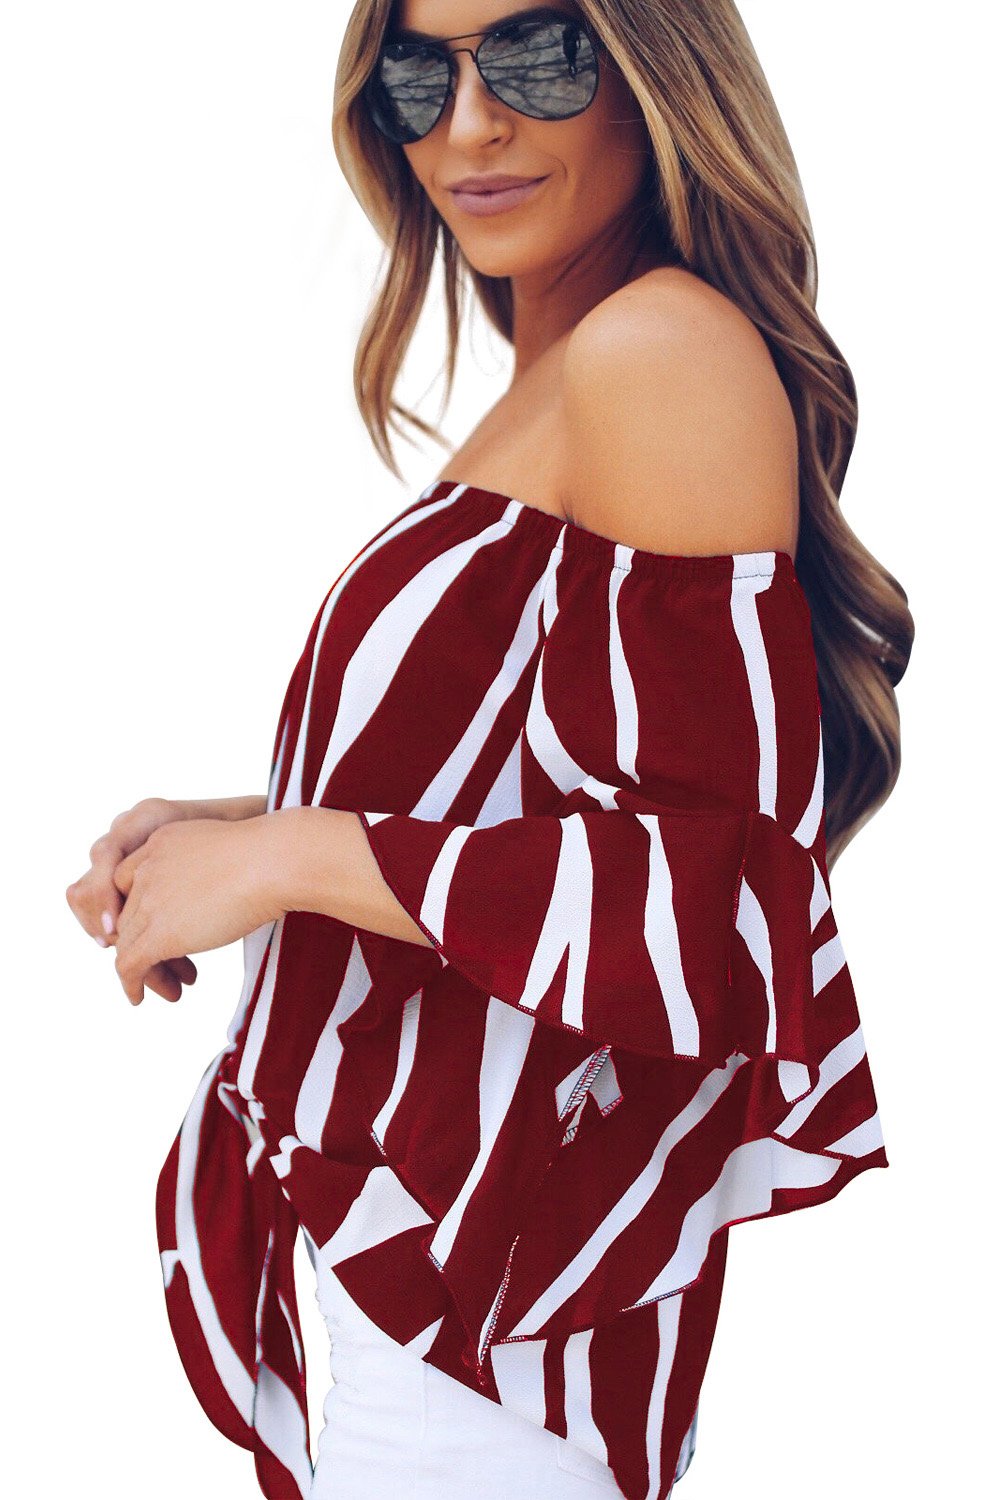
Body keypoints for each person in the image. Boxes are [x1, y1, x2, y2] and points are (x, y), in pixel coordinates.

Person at [65, 3, 914, 1497]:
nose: (468, 126)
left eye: (536, 57)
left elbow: (703, 905)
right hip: (447, 1338)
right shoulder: (571, 370)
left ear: (655, 72)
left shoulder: (656, 351)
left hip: (490, 1368)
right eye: (418, 73)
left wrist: (293, 853)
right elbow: (543, 792)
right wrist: (243, 832)